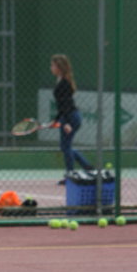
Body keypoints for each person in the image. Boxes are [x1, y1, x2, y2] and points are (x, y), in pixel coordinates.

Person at [50, 54, 94, 184]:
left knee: (66, 147)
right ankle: (87, 167)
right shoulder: (61, 81)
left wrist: (66, 122)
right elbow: (61, 105)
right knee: (65, 147)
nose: (51, 68)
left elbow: (66, 105)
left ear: (59, 67)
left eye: (53, 65)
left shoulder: (64, 83)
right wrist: (57, 120)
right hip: (68, 116)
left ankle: (70, 175)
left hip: (70, 117)